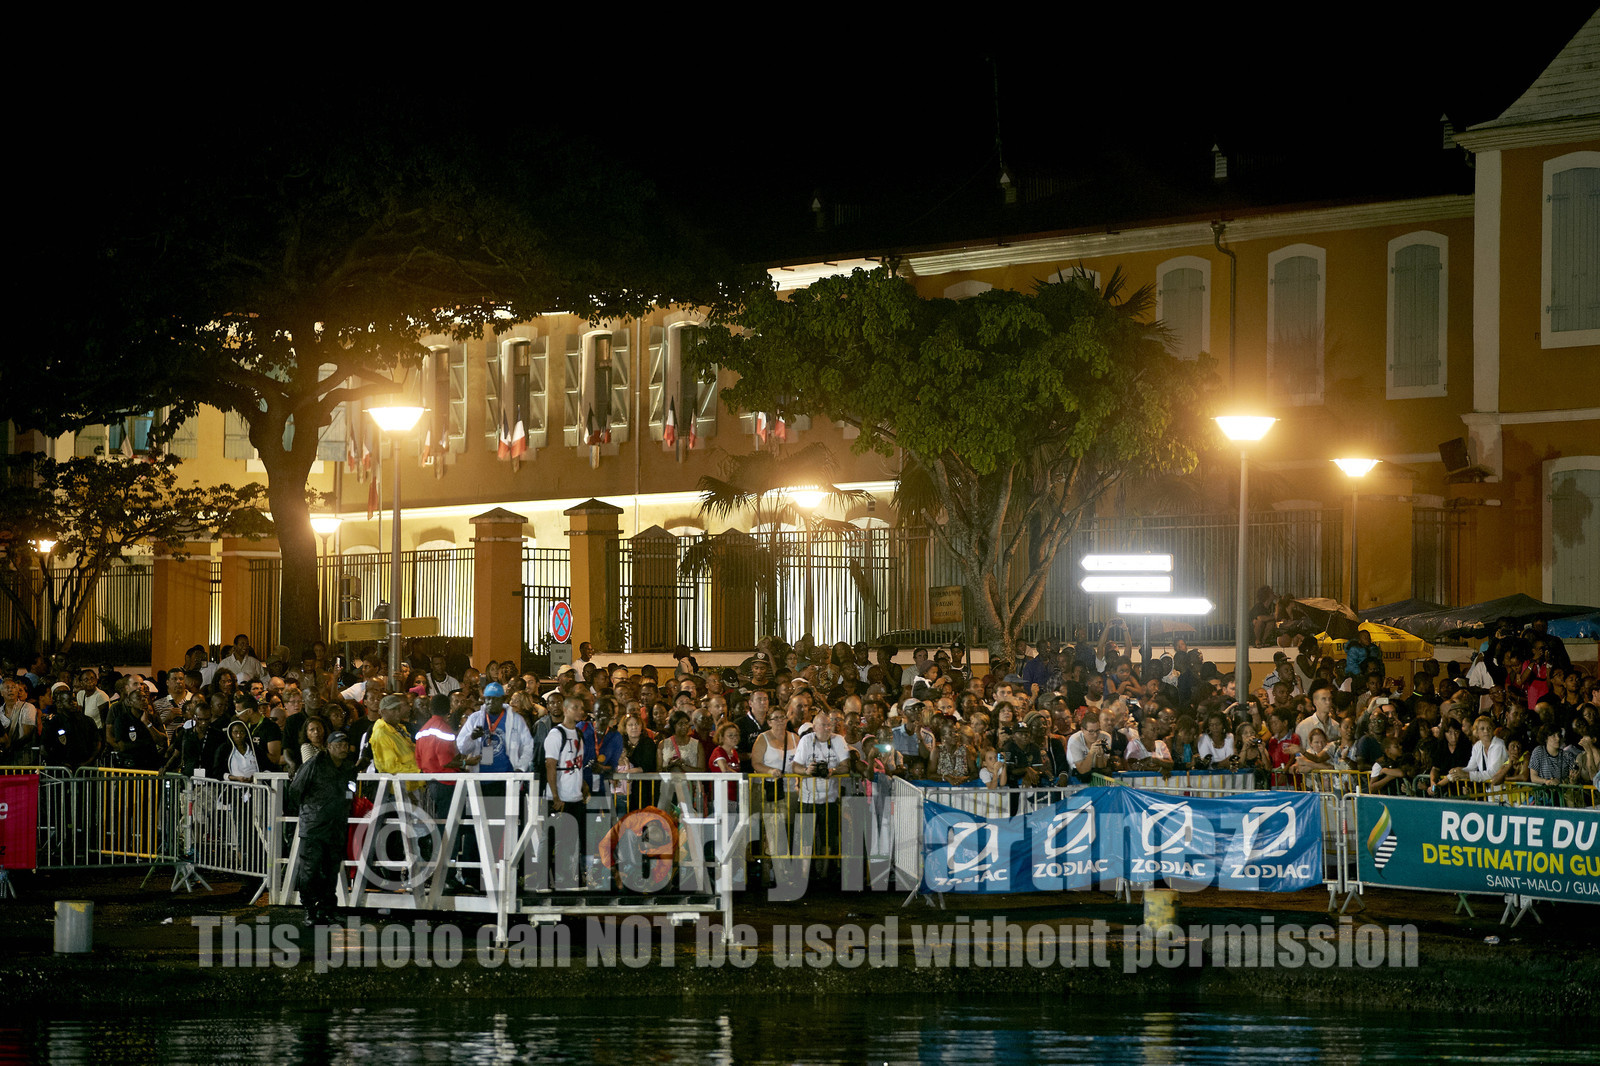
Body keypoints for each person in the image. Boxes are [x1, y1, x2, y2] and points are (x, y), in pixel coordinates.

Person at [286, 731, 358, 924]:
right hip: (315, 825)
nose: (343, 748)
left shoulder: (349, 768)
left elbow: (351, 791)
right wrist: (309, 812)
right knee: (310, 869)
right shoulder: (314, 764)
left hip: (336, 824)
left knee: (331, 869)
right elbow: (295, 790)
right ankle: (309, 908)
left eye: (345, 744)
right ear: (329, 746)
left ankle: (327, 908)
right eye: (339, 744)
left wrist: (345, 807)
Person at [1449, 716, 1507, 786]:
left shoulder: (1499, 745)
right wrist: (1457, 771)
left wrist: (1467, 775)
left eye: (1489, 728)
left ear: (1492, 730)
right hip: (1490, 792)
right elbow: (1471, 768)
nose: (1486, 731)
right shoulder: (1478, 746)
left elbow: (1493, 773)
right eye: (1482, 729)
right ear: (1476, 732)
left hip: (1504, 792)